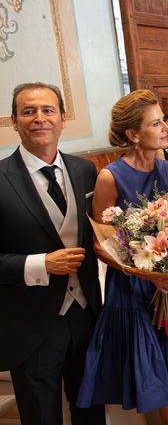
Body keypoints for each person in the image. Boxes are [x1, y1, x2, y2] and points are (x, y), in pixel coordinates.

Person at [76, 90, 168, 425]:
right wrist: (145, 272)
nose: (165, 129)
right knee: (162, 383)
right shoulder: (110, 177)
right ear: (133, 134)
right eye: (155, 123)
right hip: (133, 292)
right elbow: (101, 244)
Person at [0, 83, 104, 425]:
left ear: (62, 118)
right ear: (14, 121)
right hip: (30, 324)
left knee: (91, 412)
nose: (39, 118)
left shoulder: (85, 170)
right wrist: (41, 264)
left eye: (47, 110)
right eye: (28, 112)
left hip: (87, 314)